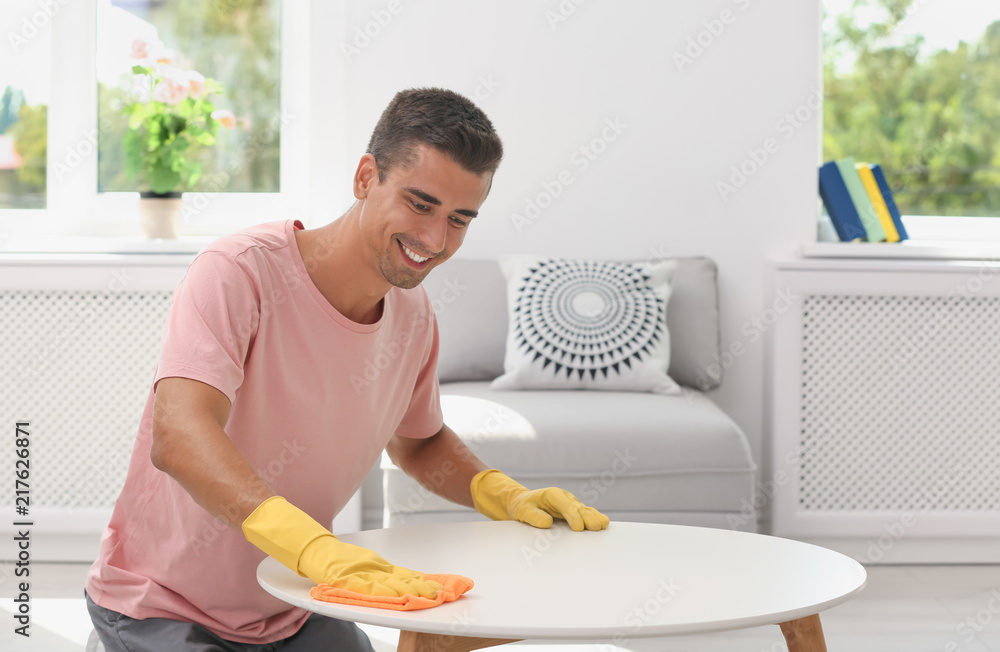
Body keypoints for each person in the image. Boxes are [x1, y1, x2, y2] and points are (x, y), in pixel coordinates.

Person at [85, 87, 609, 652]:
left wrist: (503, 494)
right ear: (365, 178)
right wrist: (314, 548)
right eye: (420, 203)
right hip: (163, 604)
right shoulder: (239, 274)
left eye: (459, 218)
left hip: (293, 603)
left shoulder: (411, 316)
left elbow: (419, 443)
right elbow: (180, 436)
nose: (435, 240)